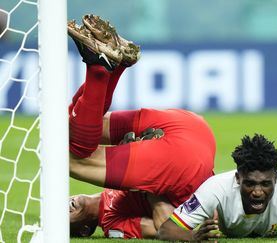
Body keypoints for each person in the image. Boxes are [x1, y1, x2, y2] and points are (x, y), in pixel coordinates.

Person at [67, 14, 215, 238]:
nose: (62, 208)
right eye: (61, 218)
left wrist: (141, 173)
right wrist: (148, 189)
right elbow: (162, 228)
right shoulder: (111, 222)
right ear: (85, 230)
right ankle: (102, 66)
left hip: (189, 132)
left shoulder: (111, 185)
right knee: (65, 160)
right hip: (185, 162)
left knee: (65, 129)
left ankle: (113, 65)